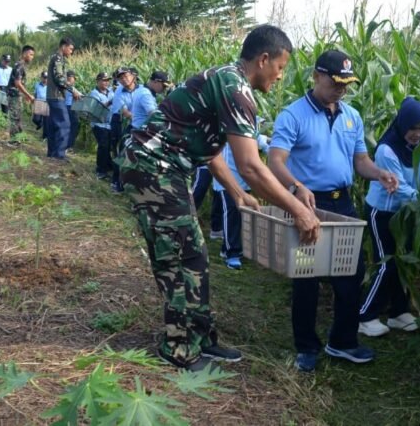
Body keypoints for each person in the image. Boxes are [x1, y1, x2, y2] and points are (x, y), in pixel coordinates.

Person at [119, 24, 320, 372]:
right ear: (264, 58)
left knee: (195, 255)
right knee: (179, 256)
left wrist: (237, 193)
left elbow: (211, 152)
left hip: (168, 170)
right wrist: (299, 210)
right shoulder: (236, 88)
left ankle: (201, 339)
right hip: (154, 168)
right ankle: (178, 348)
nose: (280, 76)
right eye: (281, 68)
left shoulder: (227, 81)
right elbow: (251, 165)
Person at [268, 49, 399, 373]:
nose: (341, 88)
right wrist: (297, 186)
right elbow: (275, 161)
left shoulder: (352, 116)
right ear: (317, 76)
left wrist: (379, 173)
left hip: (343, 203)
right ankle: (306, 347)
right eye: (335, 81)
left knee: (350, 274)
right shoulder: (293, 115)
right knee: (306, 277)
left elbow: (360, 161)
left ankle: (342, 341)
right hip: (308, 204)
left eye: (346, 83)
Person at [357, 97, 420, 337]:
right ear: (402, 125)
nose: (417, 134)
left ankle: (398, 313)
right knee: (387, 264)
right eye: (412, 128)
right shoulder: (387, 150)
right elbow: (401, 189)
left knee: (404, 262)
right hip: (383, 212)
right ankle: (365, 316)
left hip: (410, 212)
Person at [211, 119, 270, 269]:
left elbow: (258, 138)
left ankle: (233, 245)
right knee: (231, 214)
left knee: (239, 215)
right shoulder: (227, 120)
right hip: (228, 179)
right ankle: (231, 252)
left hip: (245, 180)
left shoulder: (250, 119)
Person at [46, 38, 81, 160]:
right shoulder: (58, 58)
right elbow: (59, 78)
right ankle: (59, 154)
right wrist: (73, 90)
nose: (71, 52)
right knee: (65, 125)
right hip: (56, 96)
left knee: (54, 125)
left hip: (52, 96)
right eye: (70, 49)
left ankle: (52, 152)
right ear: (63, 46)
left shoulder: (56, 58)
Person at [109, 66, 138, 193]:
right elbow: (125, 112)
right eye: (121, 78)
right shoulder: (119, 92)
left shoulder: (142, 90)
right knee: (121, 151)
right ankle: (116, 181)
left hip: (135, 122)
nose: (124, 79)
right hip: (120, 120)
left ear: (133, 76)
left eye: (126, 76)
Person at [5, 45, 36, 142]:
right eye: (31, 54)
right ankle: (14, 140)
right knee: (15, 117)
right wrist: (28, 95)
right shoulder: (19, 66)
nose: (32, 57)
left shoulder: (20, 65)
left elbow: (20, 83)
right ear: (24, 54)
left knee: (17, 117)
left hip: (16, 95)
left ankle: (19, 137)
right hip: (13, 95)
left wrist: (24, 94)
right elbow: (17, 83)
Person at [89, 72, 115, 179]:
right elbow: (97, 110)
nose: (106, 82)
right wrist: (109, 102)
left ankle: (108, 166)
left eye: (107, 80)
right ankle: (100, 170)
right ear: (98, 81)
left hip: (109, 124)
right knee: (103, 146)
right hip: (99, 124)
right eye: (104, 80)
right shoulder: (94, 94)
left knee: (108, 146)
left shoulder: (111, 92)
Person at [65, 71, 81, 151]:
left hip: (71, 107)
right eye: (72, 78)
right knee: (74, 125)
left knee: (73, 126)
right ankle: (68, 145)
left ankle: (68, 144)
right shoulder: (67, 86)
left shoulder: (73, 88)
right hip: (68, 107)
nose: (73, 80)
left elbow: (80, 95)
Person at [33, 71, 49, 139]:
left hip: (46, 103)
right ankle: (40, 124)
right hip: (38, 102)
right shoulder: (37, 84)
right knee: (35, 119)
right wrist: (34, 101)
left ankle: (44, 136)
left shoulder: (50, 86)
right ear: (41, 77)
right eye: (44, 77)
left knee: (46, 121)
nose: (45, 79)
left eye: (47, 78)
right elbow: (35, 93)